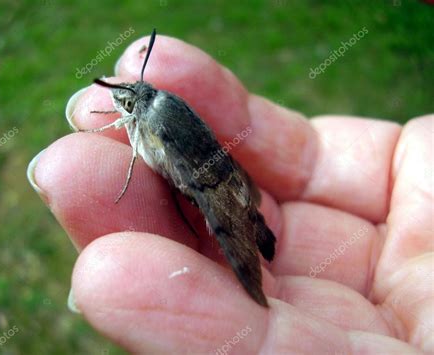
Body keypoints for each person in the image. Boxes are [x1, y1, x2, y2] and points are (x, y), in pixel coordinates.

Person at [27, 34, 433, 353]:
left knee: (225, 214)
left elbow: (152, 150)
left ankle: (250, 240)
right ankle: (254, 227)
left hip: (203, 184)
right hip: (221, 175)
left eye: (124, 101)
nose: (122, 101)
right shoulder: (159, 99)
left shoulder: (157, 112)